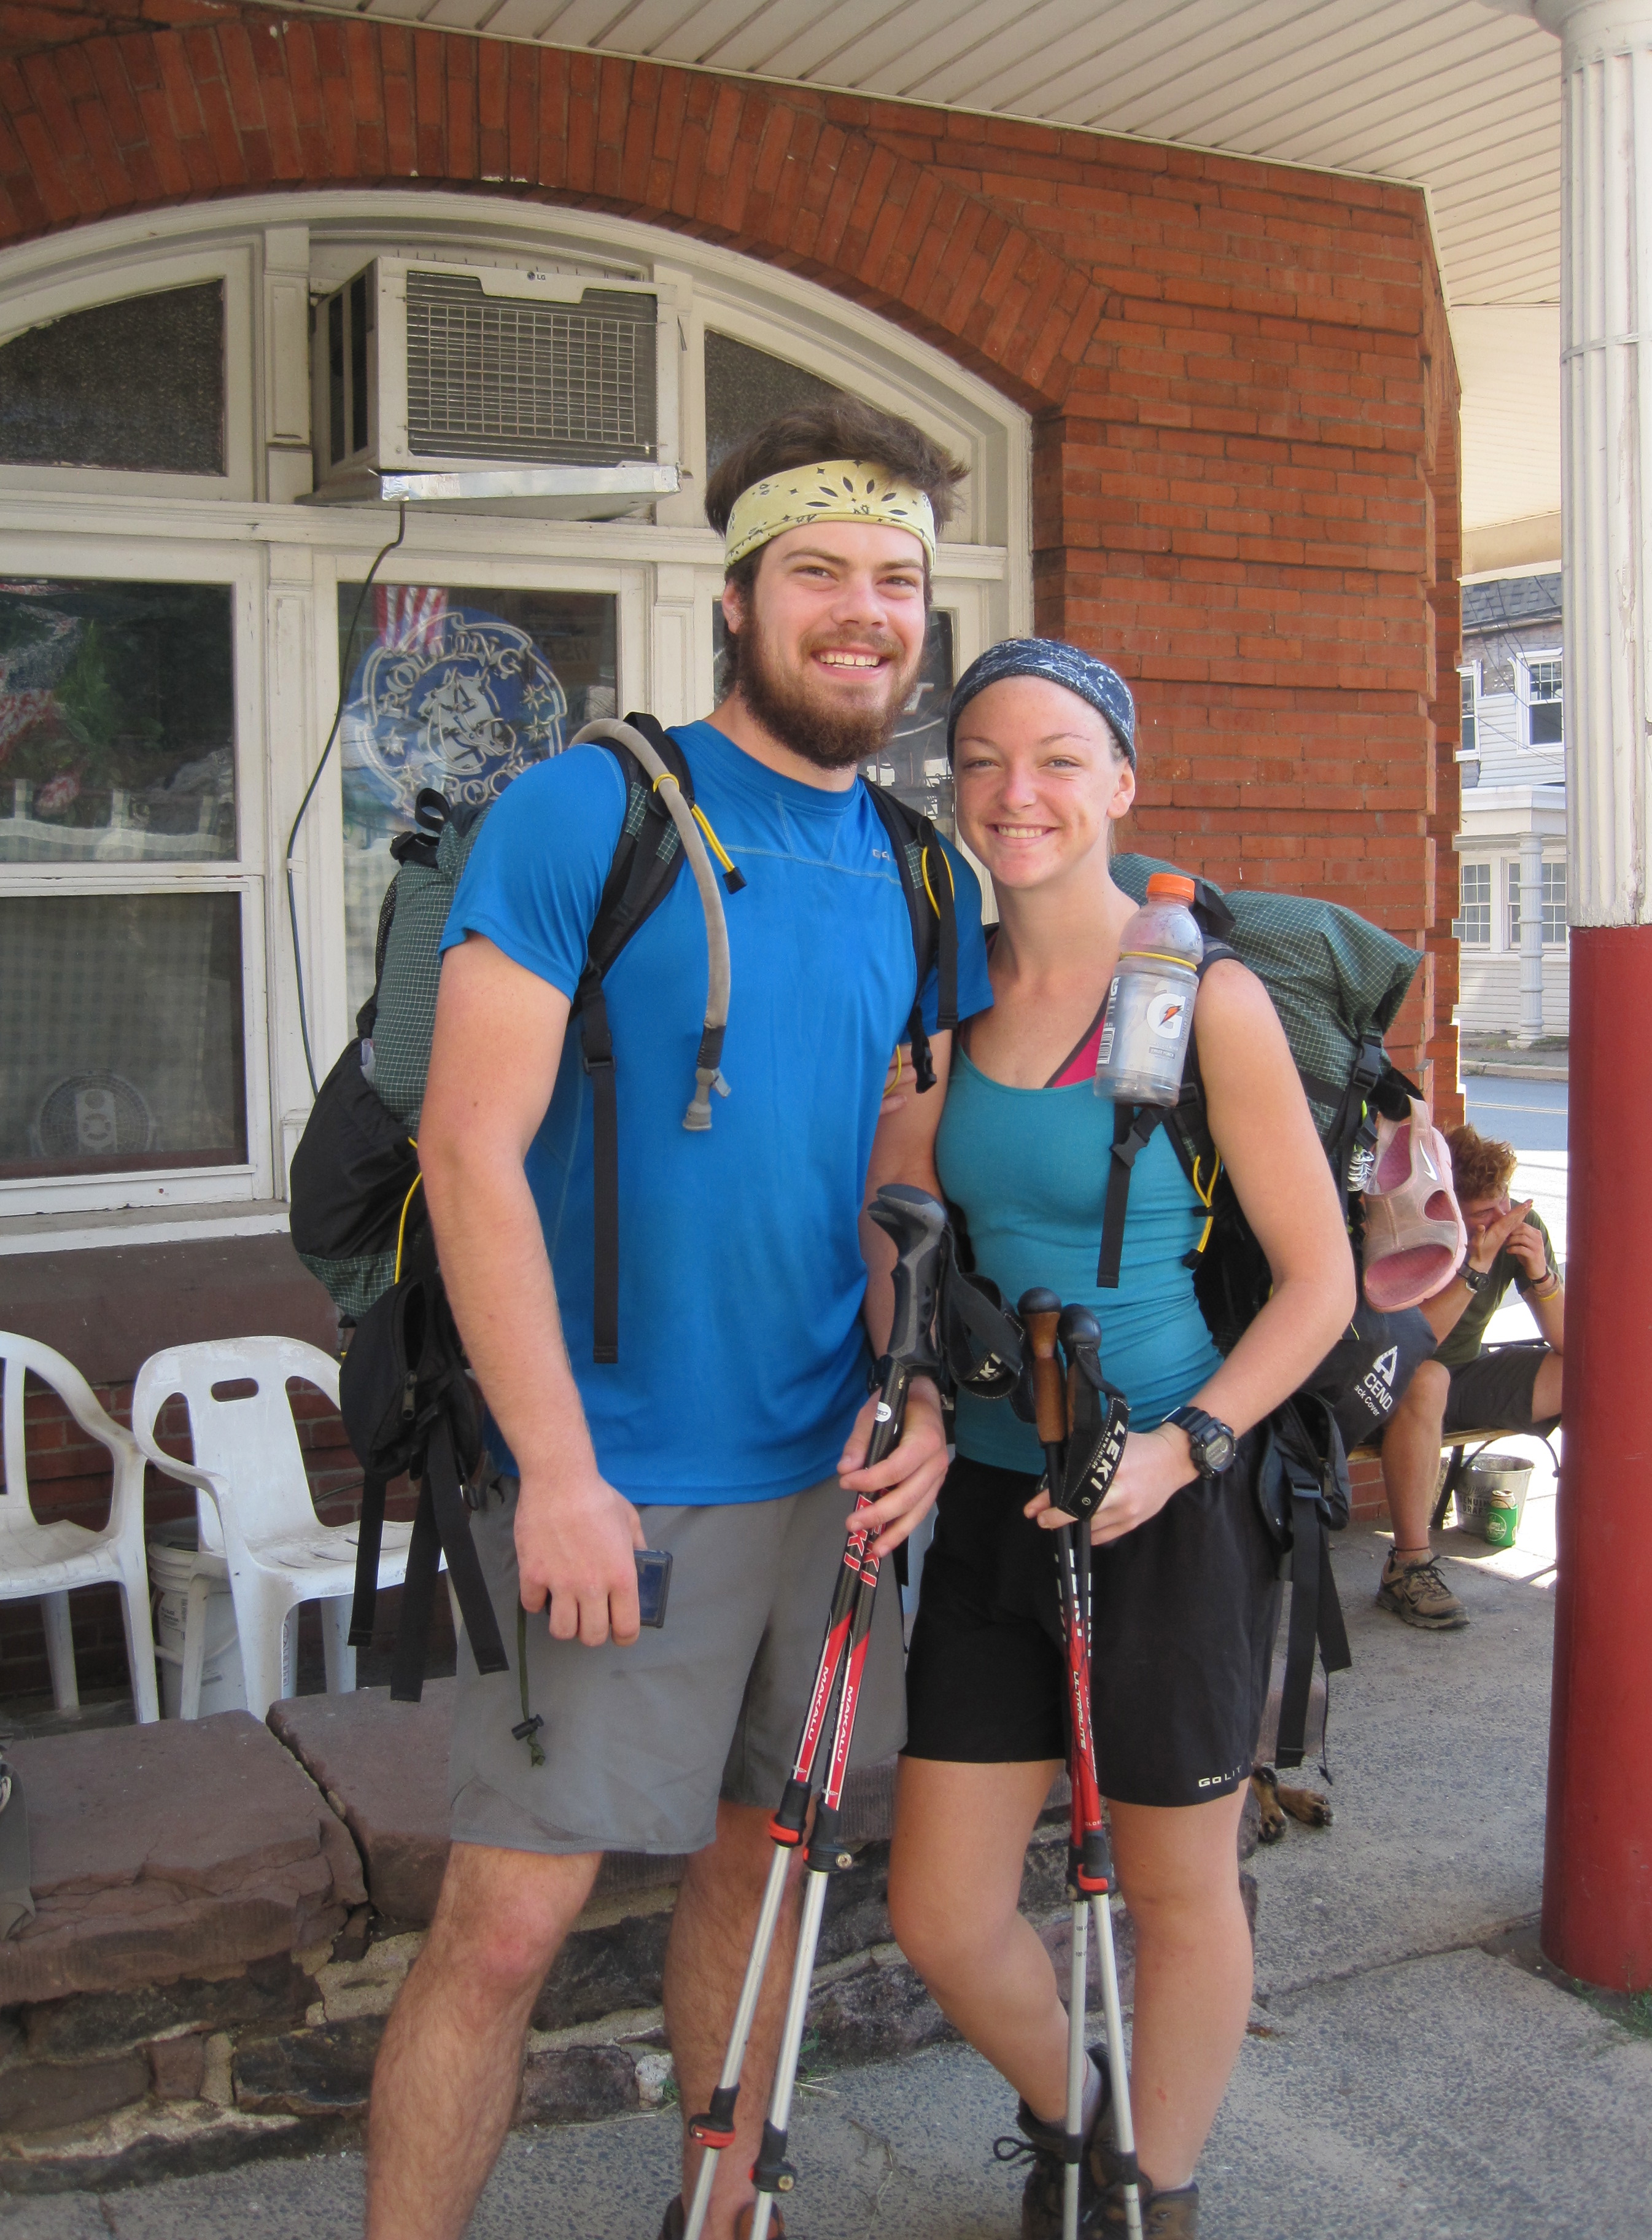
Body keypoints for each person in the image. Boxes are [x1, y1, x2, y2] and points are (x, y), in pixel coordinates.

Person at [364, 398, 991, 2240]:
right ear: (735, 598)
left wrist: (918, 1391)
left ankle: (726, 2221)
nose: (862, 612)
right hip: (617, 1474)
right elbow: (468, 1149)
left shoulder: (922, 871)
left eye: (895, 581)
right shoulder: (592, 811)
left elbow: (898, 1168)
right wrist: (556, 1471)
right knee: (508, 1921)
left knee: (761, 1872)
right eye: (818, 572)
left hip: (827, 1481)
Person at [885, 640, 1355, 2240]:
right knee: (942, 1911)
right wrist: (924, 1396)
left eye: (1060, 760)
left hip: (1168, 1500)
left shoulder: (1202, 999)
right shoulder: (942, 999)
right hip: (993, 1498)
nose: (1018, 793)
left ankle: (1159, 2191)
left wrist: (1188, 1448)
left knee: (1173, 1888)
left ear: (1123, 785)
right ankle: (1084, 2123)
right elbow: (906, 1232)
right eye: (985, 760)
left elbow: (1320, 1284)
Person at [1373, 1122, 1564, 1630]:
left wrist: (1541, 1274)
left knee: (1592, 1372)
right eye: (1483, 1214)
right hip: (1390, 1382)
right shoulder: (1416, 1229)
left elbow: (1570, 1342)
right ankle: (1408, 1566)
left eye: (1504, 1202)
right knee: (1429, 1377)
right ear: (1448, 1209)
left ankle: (1598, 1543)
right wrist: (1475, 1265)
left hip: (1464, 1379)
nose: (1501, 1220)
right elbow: (1415, 1345)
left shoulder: (1519, 1224)